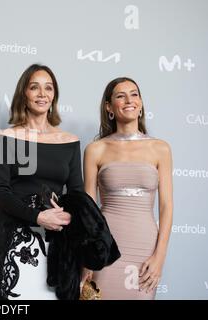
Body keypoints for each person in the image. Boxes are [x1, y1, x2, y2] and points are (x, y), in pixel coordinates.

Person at [0, 64, 84, 299]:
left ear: (54, 96)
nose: (42, 94)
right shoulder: (7, 138)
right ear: (24, 93)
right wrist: (38, 217)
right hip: (17, 243)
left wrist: (66, 217)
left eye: (48, 88)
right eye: (35, 87)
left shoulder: (70, 141)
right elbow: (1, 192)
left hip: (58, 245)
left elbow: (77, 194)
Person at [83, 77, 173, 299]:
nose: (129, 100)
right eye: (120, 96)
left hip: (144, 247)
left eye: (134, 94)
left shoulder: (160, 148)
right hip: (105, 246)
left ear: (141, 103)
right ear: (109, 106)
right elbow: (88, 210)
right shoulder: (96, 149)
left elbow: (166, 206)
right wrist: (86, 258)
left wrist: (159, 256)